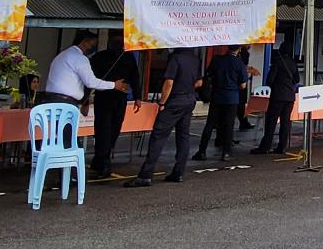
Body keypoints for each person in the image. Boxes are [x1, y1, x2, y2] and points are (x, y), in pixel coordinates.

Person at [128, 45, 200, 187]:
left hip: (175, 100)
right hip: (189, 98)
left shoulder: (175, 58)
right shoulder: (195, 59)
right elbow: (199, 81)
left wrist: (162, 102)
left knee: (159, 136)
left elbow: (169, 82)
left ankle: (146, 175)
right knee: (183, 136)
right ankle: (178, 172)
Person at [85, 43, 141, 180]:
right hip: (111, 97)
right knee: (109, 130)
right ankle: (103, 161)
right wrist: (137, 97)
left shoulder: (101, 56)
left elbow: (134, 77)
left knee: (104, 130)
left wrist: (85, 98)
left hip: (107, 97)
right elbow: (135, 77)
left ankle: (101, 160)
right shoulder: (124, 56)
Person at [194, 45, 249, 161]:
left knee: (210, 124)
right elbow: (243, 85)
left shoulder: (217, 59)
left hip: (217, 95)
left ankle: (202, 151)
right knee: (229, 125)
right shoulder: (240, 64)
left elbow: (209, 74)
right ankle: (226, 152)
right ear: (239, 49)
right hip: (232, 97)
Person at [252, 42, 299, 155]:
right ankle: (282, 147)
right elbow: (296, 79)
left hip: (278, 96)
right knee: (285, 122)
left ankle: (265, 146)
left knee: (271, 122)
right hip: (290, 97)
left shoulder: (277, 62)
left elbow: (270, 80)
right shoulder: (293, 63)